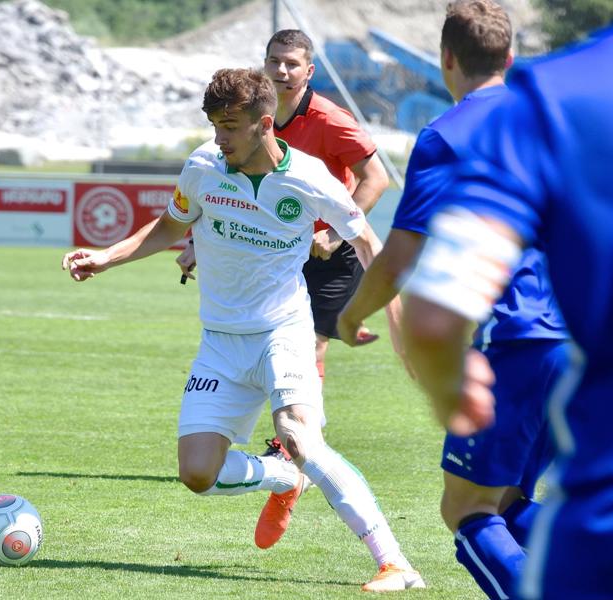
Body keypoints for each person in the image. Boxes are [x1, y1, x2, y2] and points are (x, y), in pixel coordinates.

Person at [63, 68, 424, 592]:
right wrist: (106, 257)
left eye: (230, 126)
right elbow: (171, 223)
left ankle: (395, 562)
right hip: (220, 343)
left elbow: (369, 244)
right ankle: (282, 478)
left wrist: (398, 326)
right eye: (213, 125)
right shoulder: (203, 167)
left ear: (264, 122)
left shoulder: (309, 177)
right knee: (197, 475)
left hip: (284, 331)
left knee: (300, 436)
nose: (219, 137)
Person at [399, 2, 613, 597]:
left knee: (471, 508)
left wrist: (447, 382)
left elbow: (433, 315)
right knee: (505, 502)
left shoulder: (555, 92)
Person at [335, 2, 568, 597]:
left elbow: (398, 257)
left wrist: (352, 312)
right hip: (580, 332)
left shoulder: (448, 135)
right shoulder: (552, 121)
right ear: (510, 59)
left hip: (513, 338)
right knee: (510, 502)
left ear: (445, 59)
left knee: (466, 512)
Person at [177, 29, 392, 365]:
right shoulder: (248, 119)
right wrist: (197, 242)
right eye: (274, 61)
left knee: (310, 344)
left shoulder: (331, 120)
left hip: (328, 252)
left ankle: (302, 413)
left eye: (292, 64)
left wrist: (335, 232)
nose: (281, 71)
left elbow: (377, 178)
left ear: (309, 72)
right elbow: (228, 184)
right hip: (274, 242)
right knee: (266, 346)